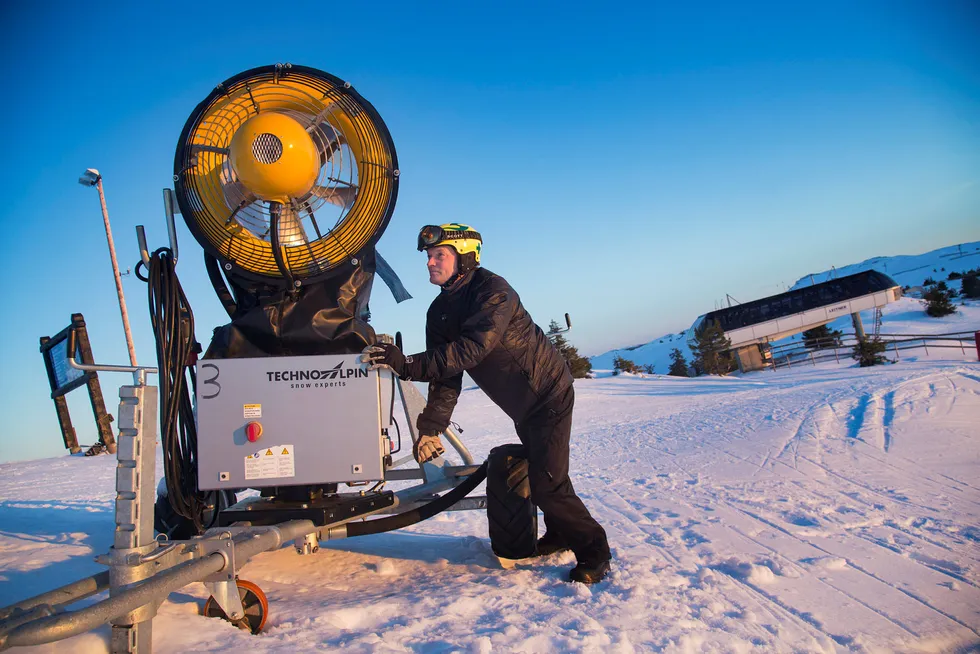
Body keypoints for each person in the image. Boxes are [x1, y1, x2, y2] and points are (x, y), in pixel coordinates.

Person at [361, 223, 611, 584]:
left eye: (439, 255)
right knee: (548, 471)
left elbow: (470, 350)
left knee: (547, 485)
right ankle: (559, 535)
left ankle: (595, 552)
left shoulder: (493, 291)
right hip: (522, 405)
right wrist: (430, 428)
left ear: (465, 257)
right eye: (429, 257)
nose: (430, 263)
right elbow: (446, 376)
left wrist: (407, 364)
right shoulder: (439, 312)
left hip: (548, 395)